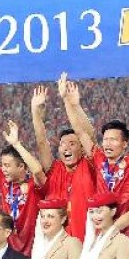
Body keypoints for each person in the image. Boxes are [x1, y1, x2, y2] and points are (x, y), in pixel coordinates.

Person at [60, 74, 129, 236]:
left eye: (113, 140)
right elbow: (80, 132)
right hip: (101, 231)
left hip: (128, 233)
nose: (107, 144)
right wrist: (67, 100)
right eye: (105, 139)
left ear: (124, 143)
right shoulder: (98, 158)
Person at [0, 115, 46, 256]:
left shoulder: (34, 184)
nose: (3, 169)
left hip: (33, 252)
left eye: (7, 165)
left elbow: (37, 170)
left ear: (21, 166)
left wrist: (17, 144)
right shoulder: (2, 179)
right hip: (8, 252)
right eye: (2, 165)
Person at [31, 80, 97, 241]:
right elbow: (41, 142)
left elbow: (88, 135)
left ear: (82, 148)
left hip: (86, 242)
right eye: (62, 144)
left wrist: (67, 100)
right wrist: (35, 111)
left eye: (72, 143)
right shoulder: (54, 169)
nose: (66, 148)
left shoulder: (89, 166)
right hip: (56, 244)